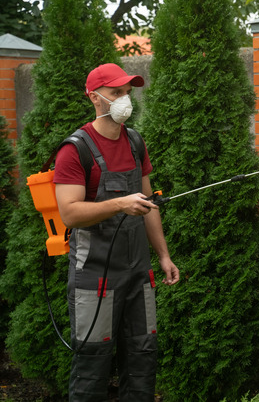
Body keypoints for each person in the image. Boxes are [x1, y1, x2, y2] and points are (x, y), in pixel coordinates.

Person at [54, 63, 179, 401]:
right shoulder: (75, 149)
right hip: (95, 276)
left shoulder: (135, 142)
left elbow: (149, 203)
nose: (125, 99)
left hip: (138, 274)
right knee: (92, 370)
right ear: (96, 98)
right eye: (116, 93)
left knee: (142, 362)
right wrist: (119, 205)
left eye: (127, 92)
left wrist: (163, 256)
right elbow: (69, 213)